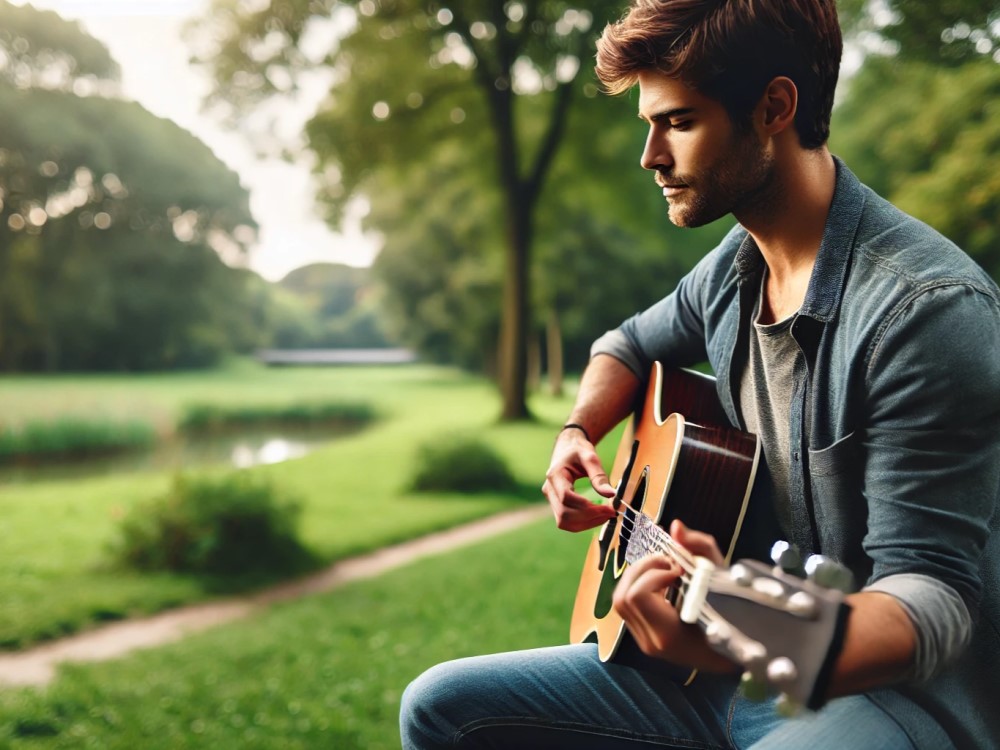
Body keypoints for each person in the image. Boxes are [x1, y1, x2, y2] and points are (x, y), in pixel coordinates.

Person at [399, 0, 1000, 747]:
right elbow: (623, 345)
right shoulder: (734, 269)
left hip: (889, 698)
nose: (650, 156)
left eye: (677, 122)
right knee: (441, 708)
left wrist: (731, 627)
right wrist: (577, 429)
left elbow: (931, 607)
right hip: (720, 670)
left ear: (774, 107)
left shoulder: (927, 312)